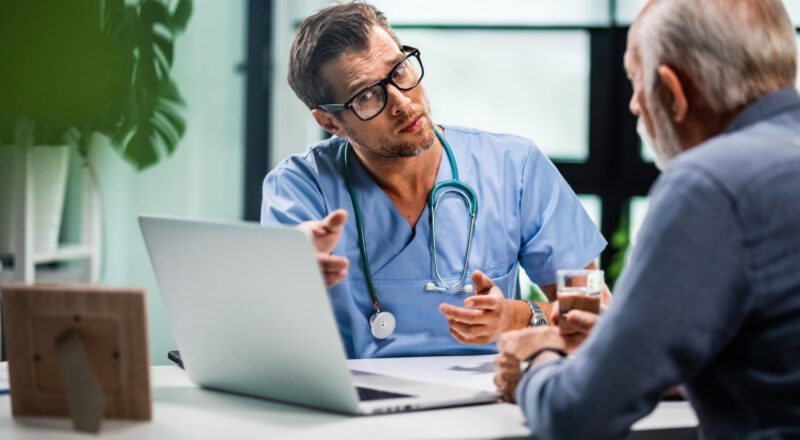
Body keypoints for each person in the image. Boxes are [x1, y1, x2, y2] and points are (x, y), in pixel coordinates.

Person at [493, 0, 800, 437]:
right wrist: (629, 346)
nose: (635, 106)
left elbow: (578, 415)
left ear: (673, 92)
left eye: (636, 84)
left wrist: (538, 359)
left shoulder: (707, 183)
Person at [260, 2, 608, 359]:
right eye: (366, 96)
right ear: (330, 123)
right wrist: (286, 273)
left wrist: (519, 316)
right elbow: (268, 327)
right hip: (360, 407)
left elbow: (598, 312)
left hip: (486, 401)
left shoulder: (514, 168)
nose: (401, 102)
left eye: (399, 71)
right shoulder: (301, 188)